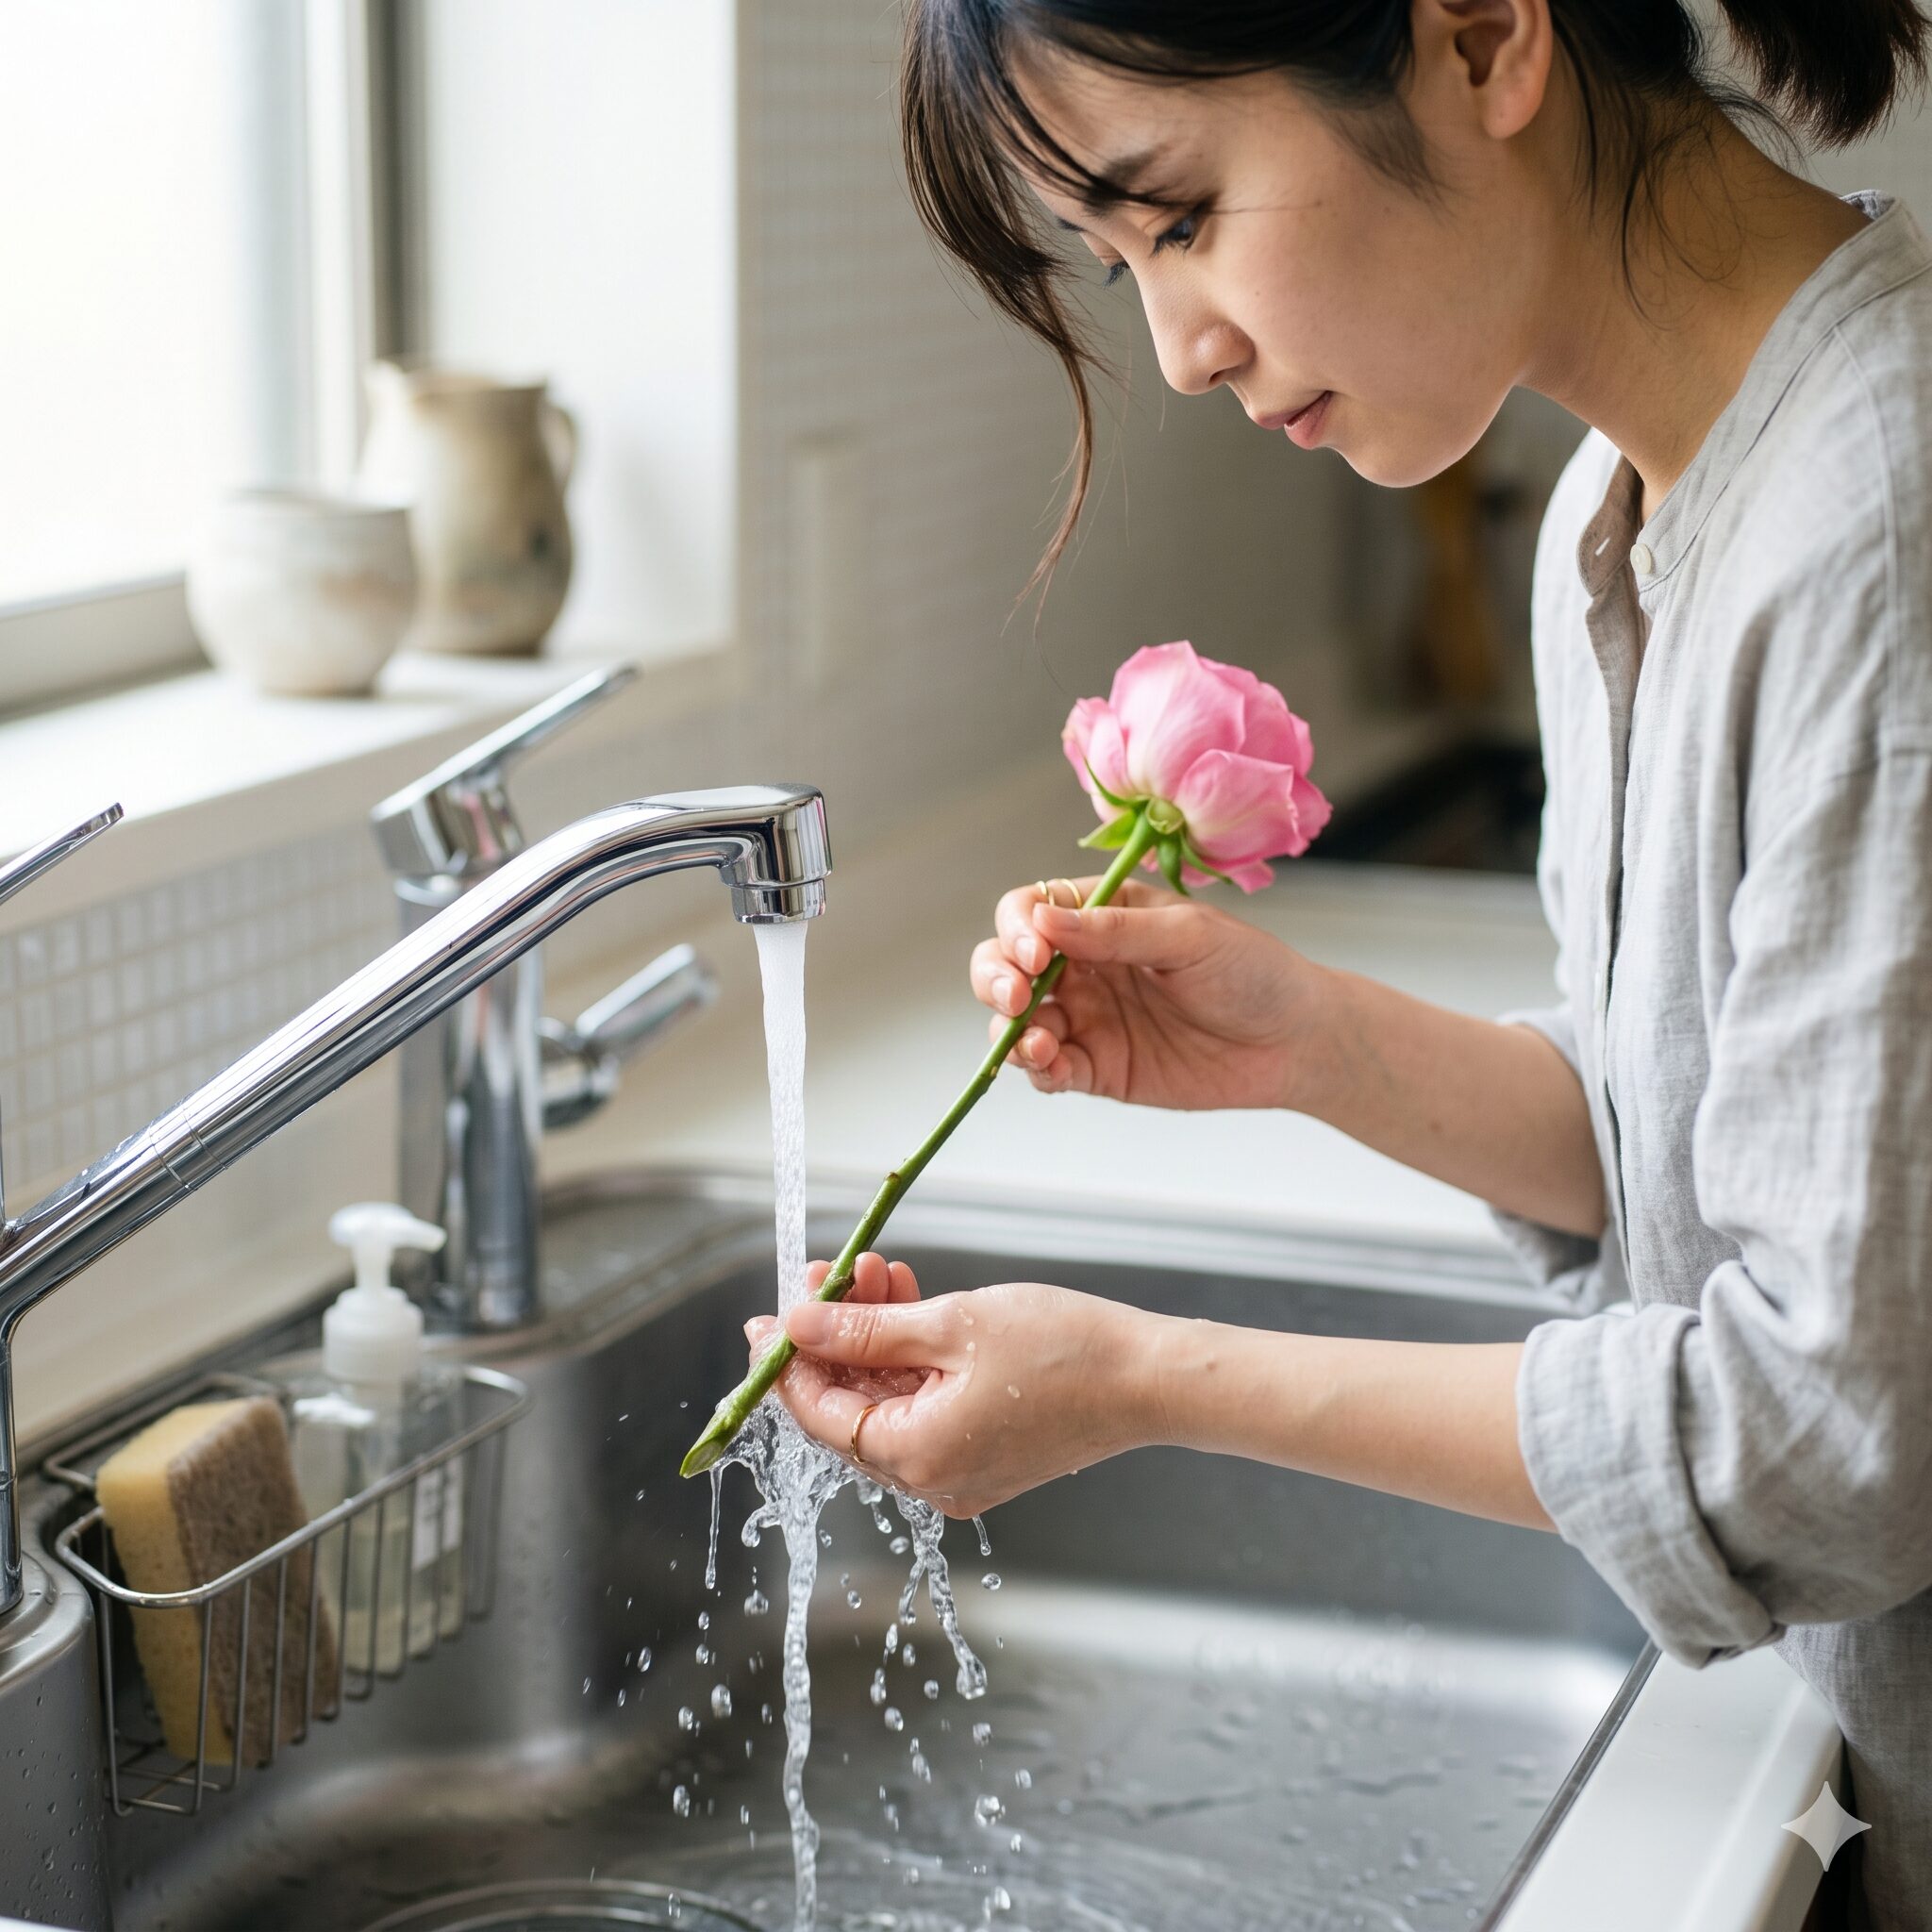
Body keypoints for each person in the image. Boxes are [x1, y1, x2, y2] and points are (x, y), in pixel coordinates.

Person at [745, 4, 1932, 1922]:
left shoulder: (1885, 518)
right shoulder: (1612, 515)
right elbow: (1708, 1152)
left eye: (1181, 216)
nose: (1180, 349)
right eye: (1121, 264)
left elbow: (1834, 1438)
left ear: (1479, 38)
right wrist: (1306, 1044)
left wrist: (1140, 1378)